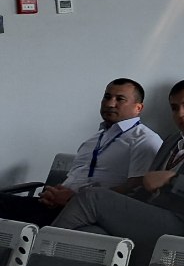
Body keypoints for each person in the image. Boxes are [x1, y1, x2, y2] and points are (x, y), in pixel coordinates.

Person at [52, 79, 184, 266]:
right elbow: (146, 187)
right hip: (153, 213)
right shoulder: (173, 139)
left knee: (92, 197)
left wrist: (173, 180)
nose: (180, 114)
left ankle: (40, 255)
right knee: (93, 234)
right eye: (174, 108)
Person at [0, 79, 163, 226]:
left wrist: (73, 198)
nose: (110, 104)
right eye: (107, 97)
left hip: (88, 214)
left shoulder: (145, 140)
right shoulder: (95, 138)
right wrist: (54, 194)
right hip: (58, 206)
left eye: (120, 99)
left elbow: (136, 189)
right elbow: (76, 178)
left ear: (138, 108)